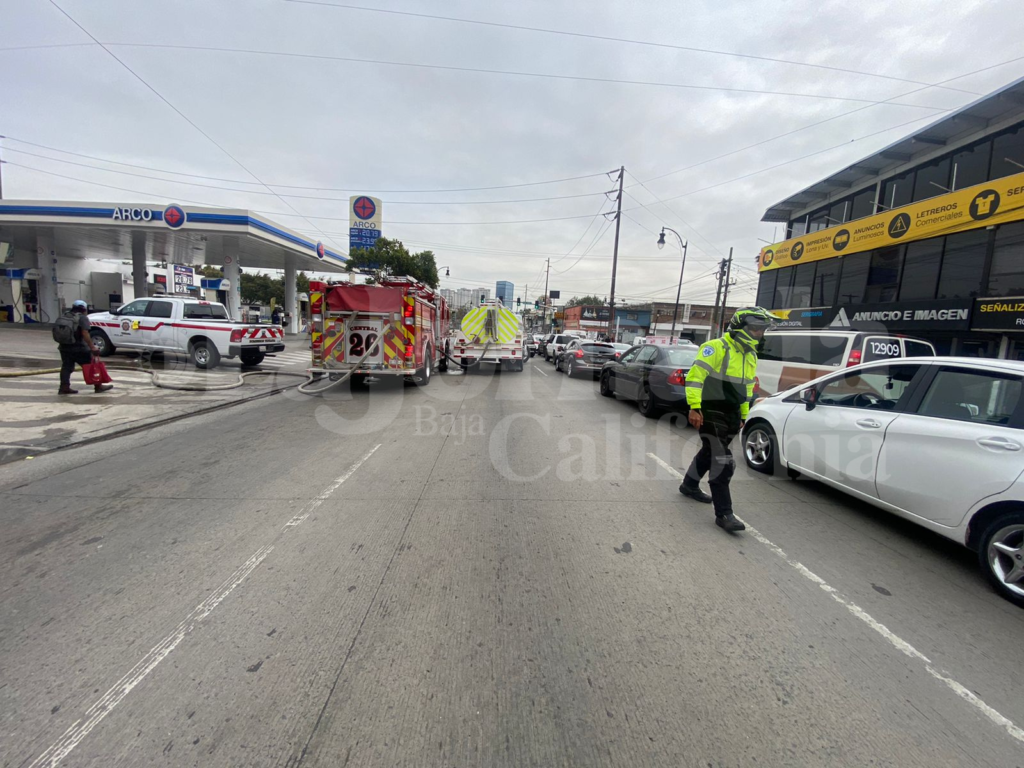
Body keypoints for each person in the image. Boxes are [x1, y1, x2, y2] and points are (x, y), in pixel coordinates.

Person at [678, 307, 777, 532]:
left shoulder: (750, 355)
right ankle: (724, 513)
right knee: (722, 460)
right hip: (710, 411)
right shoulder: (715, 347)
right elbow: (694, 378)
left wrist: (743, 415)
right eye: (755, 328)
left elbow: (746, 388)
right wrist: (694, 407)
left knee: (709, 451)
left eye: (762, 329)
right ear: (740, 327)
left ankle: (689, 485)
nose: (759, 333)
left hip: (732, 413)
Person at [56, 300, 113, 395]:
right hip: (79, 348)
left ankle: (64, 387)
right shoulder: (82, 318)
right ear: (84, 309)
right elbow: (85, 333)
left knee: (66, 367)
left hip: (64, 346)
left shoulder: (64, 316)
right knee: (91, 366)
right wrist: (92, 347)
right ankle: (98, 386)